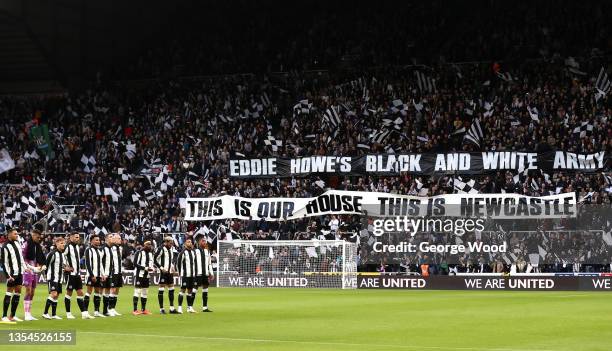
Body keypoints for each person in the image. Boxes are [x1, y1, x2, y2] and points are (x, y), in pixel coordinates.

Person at [1, 229, 31, 322]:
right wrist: (7, 275)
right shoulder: (5, 247)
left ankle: (12, 315)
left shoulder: (17, 243)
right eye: (15, 234)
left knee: (18, 292)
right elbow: (4, 262)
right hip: (12, 274)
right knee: (9, 292)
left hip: (20, 272)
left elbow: (21, 257)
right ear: (9, 235)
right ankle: (4, 316)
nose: (17, 235)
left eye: (17, 233)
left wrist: (25, 267)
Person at [22, 228, 46, 321]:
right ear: (32, 235)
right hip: (27, 270)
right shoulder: (26, 244)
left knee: (32, 293)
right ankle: (26, 314)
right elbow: (22, 259)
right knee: (28, 291)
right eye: (37, 237)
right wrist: (30, 268)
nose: (39, 239)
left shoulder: (37, 246)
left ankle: (29, 313)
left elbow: (40, 258)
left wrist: (42, 265)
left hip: (35, 271)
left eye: (40, 237)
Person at [64, 232, 89, 319]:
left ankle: (84, 313)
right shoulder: (67, 247)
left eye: (78, 237)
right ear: (71, 237)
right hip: (70, 274)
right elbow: (60, 256)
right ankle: (68, 313)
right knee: (69, 293)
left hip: (77, 274)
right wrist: (65, 267)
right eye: (76, 237)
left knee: (80, 292)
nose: (77, 239)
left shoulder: (77, 247)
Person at [42, 237, 69, 320]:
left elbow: (63, 265)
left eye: (64, 243)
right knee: (53, 294)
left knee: (56, 295)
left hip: (60, 278)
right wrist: (46, 275)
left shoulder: (62, 255)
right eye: (61, 243)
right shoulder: (52, 253)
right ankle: (45, 313)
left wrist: (68, 268)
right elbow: (46, 264)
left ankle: (54, 314)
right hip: (53, 277)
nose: (63, 244)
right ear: (56, 244)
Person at [154, 236, 177, 314]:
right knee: (161, 289)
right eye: (170, 243)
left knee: (172, 289)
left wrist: (173, 267)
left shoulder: (171, 250)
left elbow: (170, 261)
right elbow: (154, 260)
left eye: (172, 243)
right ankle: (161, 309)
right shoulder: (161, 249)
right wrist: (161, 268)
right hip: (163, 273)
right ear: (166, 242)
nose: (171, 244)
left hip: (170, 272)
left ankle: (172, 308)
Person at [84, 235, 105, 318]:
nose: (98, 241)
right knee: (89, 292)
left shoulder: (99, 251)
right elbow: (87, 263)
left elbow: (100, 264)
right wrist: (92, 275)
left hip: (99, 275)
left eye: (99, 240)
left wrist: (103, 274)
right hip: (91, 275)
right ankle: (85, 312)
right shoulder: (88, 250)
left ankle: (96, 311)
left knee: (97, 292)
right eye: (96, 240)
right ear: (91, 241)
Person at [132, 240, 154, 315]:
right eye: (148, 245)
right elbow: (135, 264)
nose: (150, 246)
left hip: (147, 275)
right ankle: (135, 310)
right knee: (137, 291)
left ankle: (143, 309)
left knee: (145, 292)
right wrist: (145, 268)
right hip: (139, 275)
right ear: (144, 245)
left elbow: (151, 264)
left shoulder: (151, 254)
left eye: (150, 245)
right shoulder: (139, 252)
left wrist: (152, 268)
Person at [193, 237, 214, 312]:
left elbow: (209, 263)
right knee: (194, 289)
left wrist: (211, 273)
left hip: (205, 274)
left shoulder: (207, 251)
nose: (204, 242)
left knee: (205, 289)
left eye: (205, 241)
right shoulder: (195, 251)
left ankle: (205, 307)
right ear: (199, 242)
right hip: (198, 273)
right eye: (203, 241)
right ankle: (190, 307)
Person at [176, 237, 196, 314]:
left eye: (190, 242)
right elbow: (178, 263)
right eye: (188, 242)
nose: (189, 243)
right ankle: (179, 307)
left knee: (190, 291)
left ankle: (189, 307)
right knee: (182, 290)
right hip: (185, 275)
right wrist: (179, 273)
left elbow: (194, 264)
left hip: (192, 275)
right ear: (185, 244)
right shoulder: (182, 253)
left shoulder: (193, 252)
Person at [108, 233, 123, 316]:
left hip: (119, 271)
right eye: (118, 238)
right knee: (112, 290)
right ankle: (109, 308)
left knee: (117, 290)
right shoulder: (110, 248)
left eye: (120, 238)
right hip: (113, 271)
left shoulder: (120, 248)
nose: (120, 239)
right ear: (113, 239)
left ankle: (113, 308)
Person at [101, 234, 113, 317]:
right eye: (110, 237)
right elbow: (99, 261)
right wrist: (102, 273)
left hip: (109, 274)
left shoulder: (110, 249)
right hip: (103, 274)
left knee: (107, 291)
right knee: (99, 292)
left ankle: (105, 310)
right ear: (106, 239)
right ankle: (96, 310)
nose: (112, 238)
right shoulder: (103, 248)